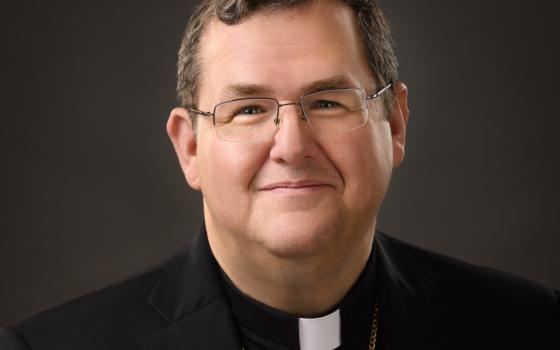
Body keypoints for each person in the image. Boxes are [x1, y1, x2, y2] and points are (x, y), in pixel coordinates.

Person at [1, 0, 558, 349]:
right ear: (190, 146)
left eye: (328, 102)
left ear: (393, 124)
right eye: (247, 110)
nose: (292, 146)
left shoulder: (531, 328)